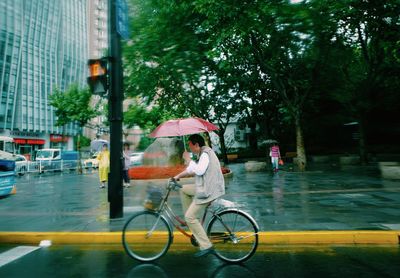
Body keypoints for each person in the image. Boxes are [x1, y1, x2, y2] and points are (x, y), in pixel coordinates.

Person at [173, 134, 225, 258]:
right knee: (184, 189)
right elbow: (192, 169)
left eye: (190, 146)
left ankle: (206, 245)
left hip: (208, 191)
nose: (190, 149)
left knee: (190, 217)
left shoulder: (205, 154)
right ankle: (191, 220)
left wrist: (188, 159)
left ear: (196, 145)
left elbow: (199, 170)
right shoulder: (202, 154)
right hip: (205, 187)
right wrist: (177, 176)